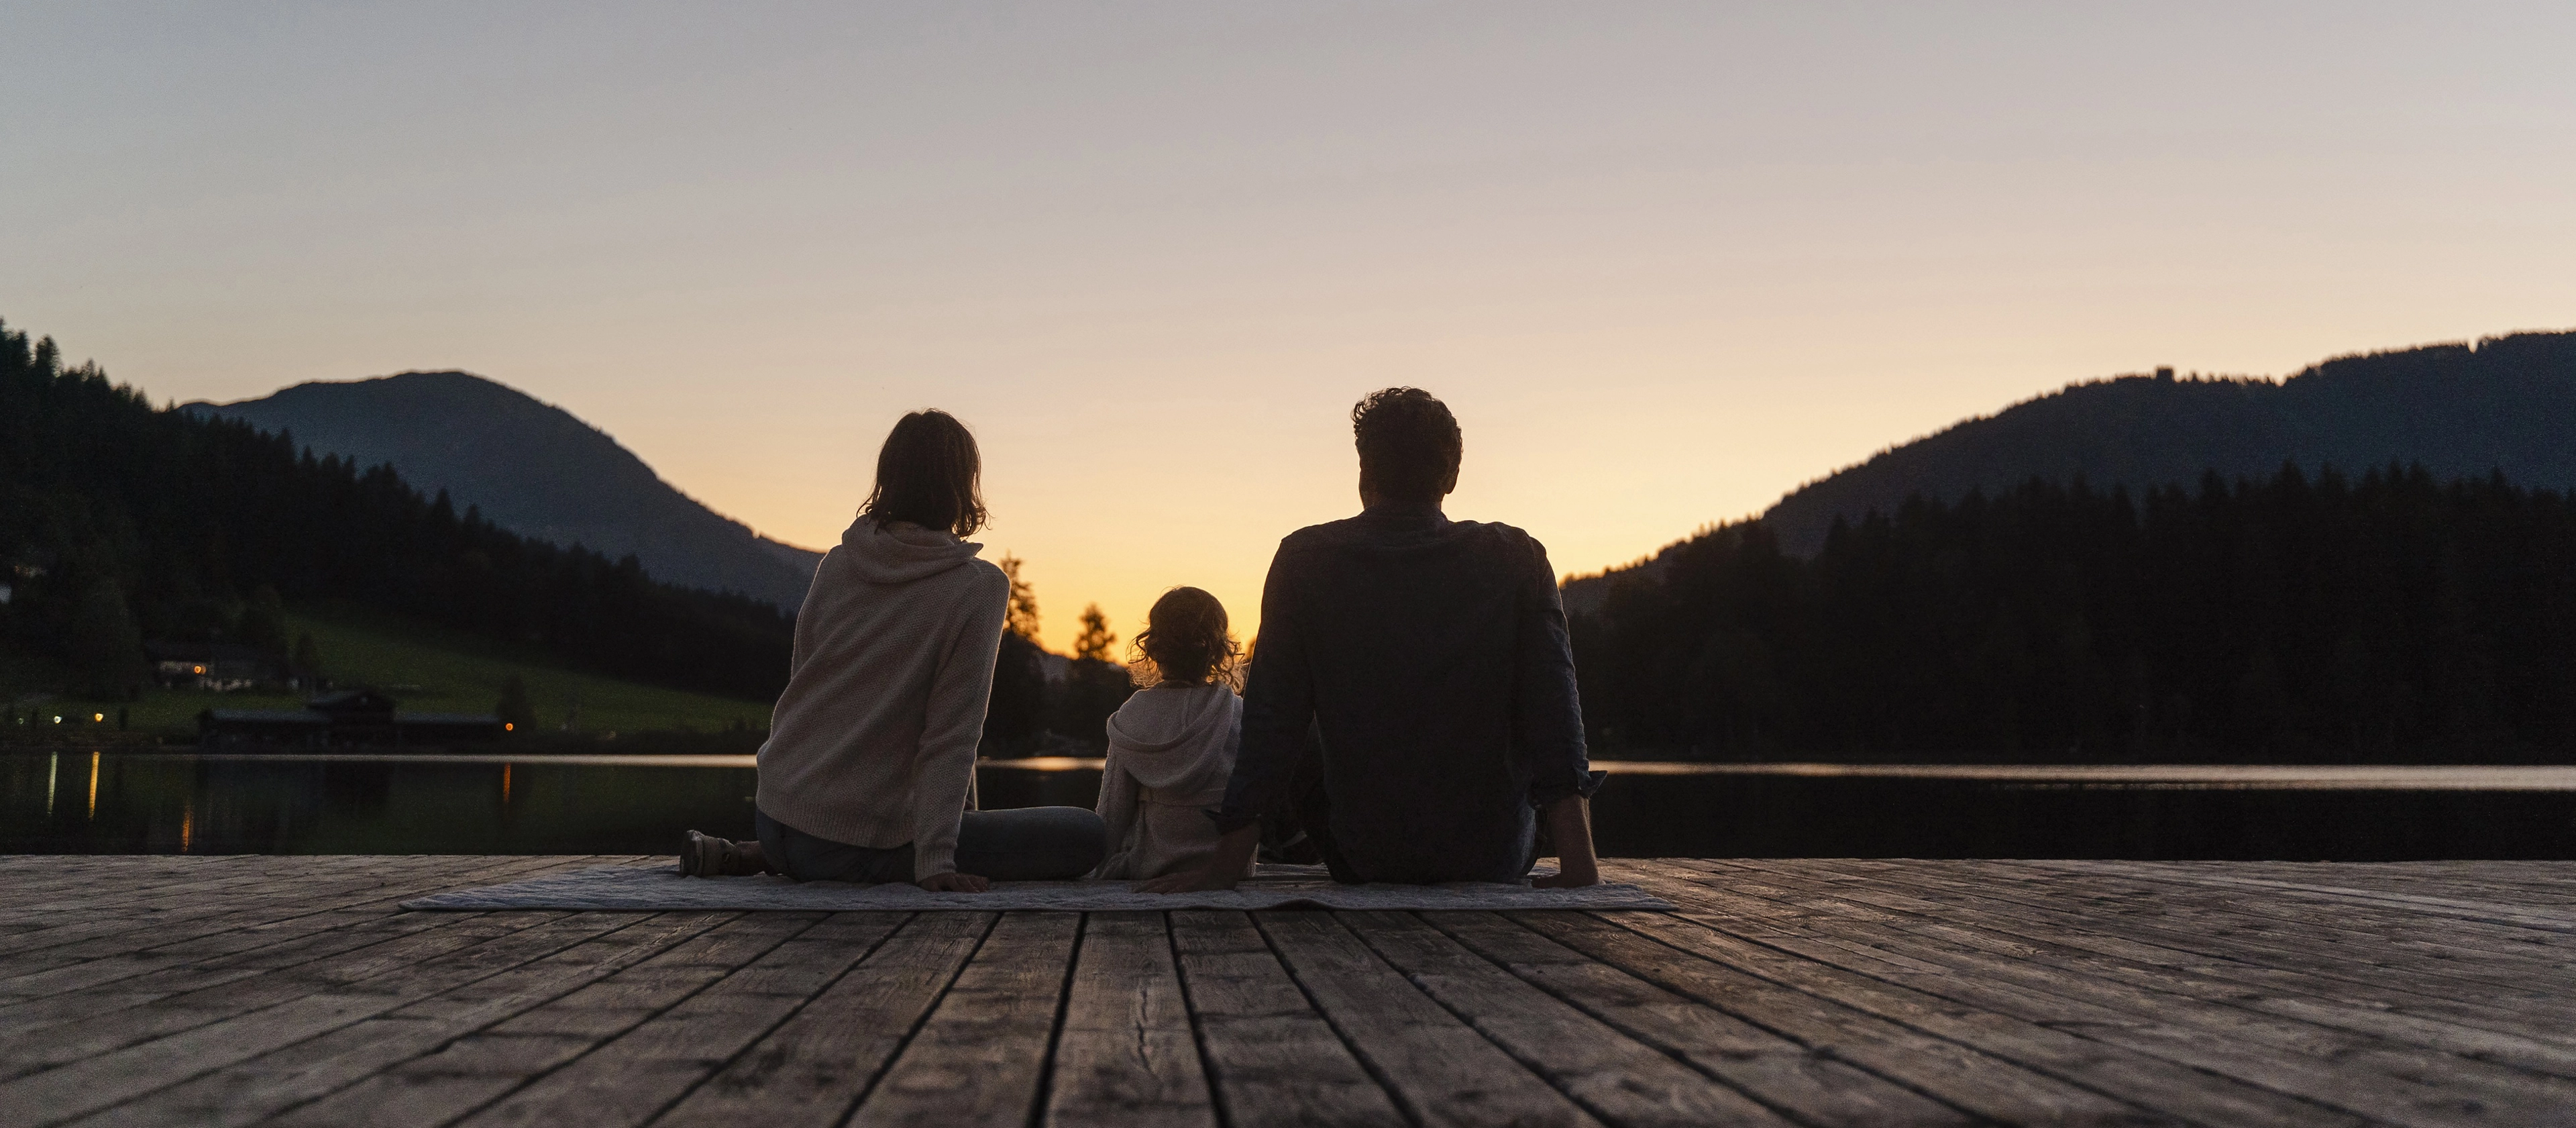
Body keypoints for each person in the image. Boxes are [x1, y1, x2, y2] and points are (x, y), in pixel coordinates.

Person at [1141, 388, 1601, 892]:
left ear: (1364, 473)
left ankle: (1257, 855)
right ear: (1451, 477)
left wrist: (1224, 867)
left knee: (1297, 719)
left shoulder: (1302, 560)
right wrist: (1579, 869)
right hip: (1493, 856)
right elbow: (1555, 711)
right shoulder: (1519, 558)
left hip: (1363, 857)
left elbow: (1272, 724)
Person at [681, 409, 1104, 888]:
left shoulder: (839, 563)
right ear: (963, 485)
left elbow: (803, 687)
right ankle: (822, 857)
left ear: (889, 478)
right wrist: (939, 862)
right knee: (1085, 834)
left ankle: (762, 854)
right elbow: (952, 732)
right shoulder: (977, 587)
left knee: (868, 831)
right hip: (844, 843)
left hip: (775, 812)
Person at [1089, 586, 1254, 881]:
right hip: (1228, 868)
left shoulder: (1132, 714)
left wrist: (1094, 873)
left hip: (1150, 868)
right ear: (1219, 649)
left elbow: (1112, 814)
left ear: (1152, 647)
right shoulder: (1239, 714)